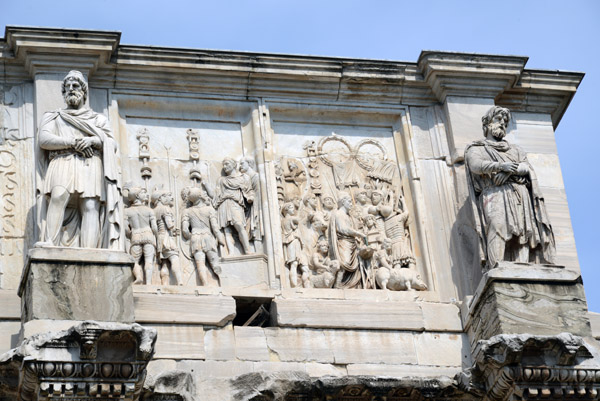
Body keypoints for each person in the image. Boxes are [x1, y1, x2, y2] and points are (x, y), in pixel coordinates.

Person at [36, 70, 121, 249]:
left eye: (75, 86)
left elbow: (111, 143)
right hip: (62, 161)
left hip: (90, 164)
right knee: (58, 197)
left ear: (84, 91)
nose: (71, 90)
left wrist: (92, 140)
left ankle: (90, 251)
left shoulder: (98, 119)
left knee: (90, 206)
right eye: (67, 87)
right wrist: (73, 142)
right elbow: (44, 139)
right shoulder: (54, 116)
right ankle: (51, 241)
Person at [465, 106, 555, 268]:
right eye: (498, 120)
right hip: (494, 193)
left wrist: (507, 171)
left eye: (505, 122)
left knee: (523, 229)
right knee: (497, 226)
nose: (502, 124)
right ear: (487, 124)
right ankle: (496, 267)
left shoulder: (515, 150)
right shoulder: (477, 148)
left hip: (519, 192)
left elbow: (526, 168)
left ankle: (523, 266)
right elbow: (475, 165)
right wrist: (501, 166)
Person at [181, 187, 226, 286]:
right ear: (201, 196)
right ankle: (222, 283)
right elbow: (215, 227)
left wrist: (190, 236)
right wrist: (220, 239)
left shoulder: (187, 212)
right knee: (215, 263)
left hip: (195, 238)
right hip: (208, 236)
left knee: (200, 264)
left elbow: (184, 230)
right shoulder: (209, 209)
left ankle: (205, 285)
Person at [214, 157, 254, 254]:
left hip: (236, 204)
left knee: (239, 225)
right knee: (227, 230)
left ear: (234, 165)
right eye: (224, 165)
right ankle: (231, 252)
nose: (225, 167)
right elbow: (216, 195)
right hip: (224, 204)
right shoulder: (221, 180)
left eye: (227, 164)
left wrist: (250, 197)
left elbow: (249, 191)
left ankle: (247, 250)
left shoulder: (243, 178)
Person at [328, 192, 367, 288]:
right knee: (344, 263)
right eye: (349, 201)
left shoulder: (349, 216)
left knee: (356, 264)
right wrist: (358, 233)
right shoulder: (338, 214)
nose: (351, 203)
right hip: (344, 241)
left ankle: (352, 285)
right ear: (343, 202)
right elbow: (343, 229)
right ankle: (337, 285)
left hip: (352, 242)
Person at [124, 186, 157, 285]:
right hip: (148, 235)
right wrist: (156, 237)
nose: (146, 195)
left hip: (135, 236)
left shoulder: (127, 211)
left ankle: (138, 277)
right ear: (137, 195)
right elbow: (154, 227)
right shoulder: (149, 210)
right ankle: (149, 283)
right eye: (143, 193)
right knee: (148, 260)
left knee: (134, 261)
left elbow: (126, 228)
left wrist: (130, 234)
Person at [152, 188, 183, 286]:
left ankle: (164, 283)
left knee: (164, 263)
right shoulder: (165, 209)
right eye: (168, 195)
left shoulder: (153, 210)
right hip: (166, 237)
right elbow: (169, 225)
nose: (171, 198)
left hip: (159, 239)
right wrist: (175, 228)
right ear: (161, 198)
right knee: (174, 258)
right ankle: (180, 282)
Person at [239, 156, 263, 252]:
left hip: (253, 206)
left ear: (249, 164)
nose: (240, 166)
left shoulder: (254, 176)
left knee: (255, 229)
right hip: (246, 207)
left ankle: (258, 251)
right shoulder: (243, 177)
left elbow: (257, 193)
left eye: (242, 163)